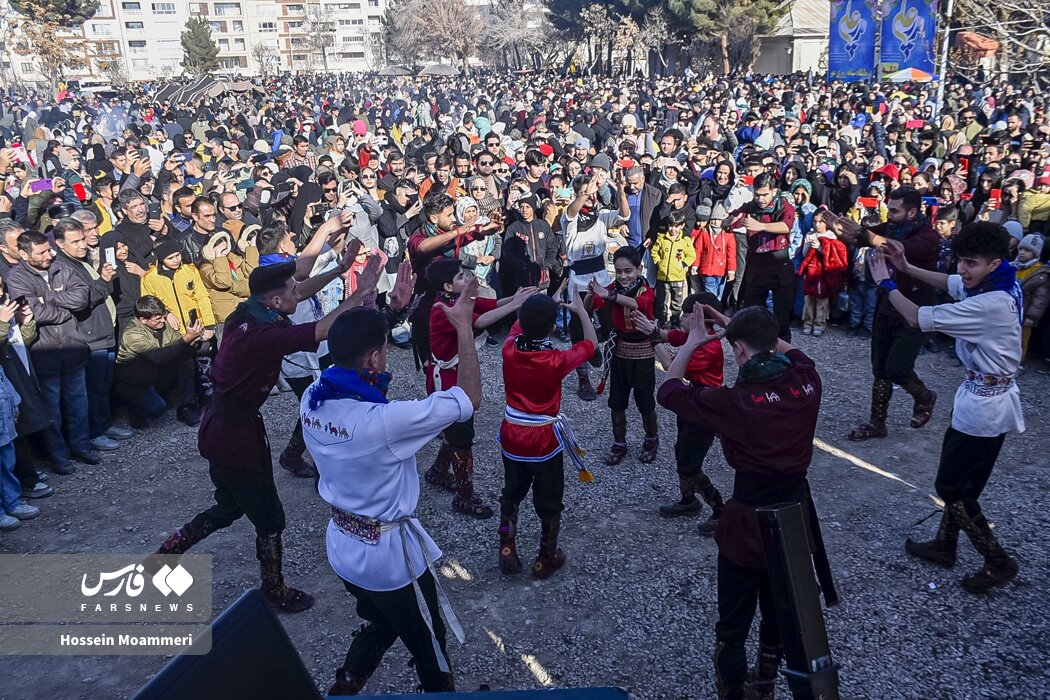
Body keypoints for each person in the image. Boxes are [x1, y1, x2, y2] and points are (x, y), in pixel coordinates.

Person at [147, 245, 383, 613]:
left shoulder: (251, 311)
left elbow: (300, 289)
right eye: (290, 291)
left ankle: (167, 553)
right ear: (275, 301)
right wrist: (360, 290)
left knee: (228, 506)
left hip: (222, 430)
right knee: (270, 518)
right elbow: (322, 329)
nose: (297, 292)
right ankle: (274, 590)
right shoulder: (261, 335)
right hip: (237, 437)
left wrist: (340, 269)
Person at [305, 281, 483, 695]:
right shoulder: (385, 422)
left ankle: (345, 687)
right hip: (389, 560)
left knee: (383, 621)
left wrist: (391, 313)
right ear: (372, 357)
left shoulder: (314, 394)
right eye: (383, 348)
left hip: (342, 545)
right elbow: (470, 397)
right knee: (429, 645)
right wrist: (464, 328)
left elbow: (358, 348)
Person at [657, 305, 834, 700]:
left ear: (736, 350)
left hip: (749, 522)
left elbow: (668, 388)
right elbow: (793, 353)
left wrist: (692, 342)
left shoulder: (734, 402)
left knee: (733, 623)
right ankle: (767, 681)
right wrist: (744, 331)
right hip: (794, 516)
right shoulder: (807, 381)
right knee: (780, 611)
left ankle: (733, 692)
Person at [874, 223, 1023, 593]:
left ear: (994, 263)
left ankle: (997, 560)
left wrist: (886, 283)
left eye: (970, 263)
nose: (962, 270)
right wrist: (906, 267)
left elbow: (917, 317)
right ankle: (945, 544)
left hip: (984, 409)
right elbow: (948, 283)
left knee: (953, 487)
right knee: (964, 482)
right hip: (986, 397)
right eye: (960, 260)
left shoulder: (990, 304)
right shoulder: (999, 281)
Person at [497, 288, 597, 578]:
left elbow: (520, 324)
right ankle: (545, 557)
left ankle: (507, 547)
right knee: (549, 498)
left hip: (513, 435)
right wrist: (581, 310)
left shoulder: (509, 348)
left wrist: (536, 304)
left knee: (511, 493)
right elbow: (591, 342)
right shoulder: (557, 360)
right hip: (543, 439)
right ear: (553, 327)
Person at [423, 259, 534, 518]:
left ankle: (438, 471)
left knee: (456, 428)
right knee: (461, 430)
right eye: (462, 276)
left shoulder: (458, 300)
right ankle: (464, 493)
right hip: (448, 380)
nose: (468, 279)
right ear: (448, 285)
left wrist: (515, 298)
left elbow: (490, 305)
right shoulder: (444, 308)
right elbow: (480, 321)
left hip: (458, 372)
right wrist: (516, 305)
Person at [832, 187, 939, 441]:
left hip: (916, 311)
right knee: (880, 368)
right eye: (888, 209)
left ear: (912, 212)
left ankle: (924, 396)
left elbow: (897, 248)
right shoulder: (891, 227)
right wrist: (842, 228)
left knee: (897, 368)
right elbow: (863, 237)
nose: (889, 215)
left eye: (894, 210)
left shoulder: (928, 237)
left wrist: (863, 235)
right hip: (886, 306)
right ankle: (877, 423)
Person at [632, 293, 726, 532]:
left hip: (704, 409)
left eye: (686, 315)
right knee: (682, 450)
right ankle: (688, 500)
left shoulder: (708, 346)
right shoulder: (697, 335)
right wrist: (654, 330)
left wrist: (653, 340)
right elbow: (671, 336)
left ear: (700, 320)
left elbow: (671, 367)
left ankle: (720, 509)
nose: (681, 318)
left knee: (689, 463)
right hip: (691, 401)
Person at [6, 231, 99, 469]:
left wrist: (46, 297)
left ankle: (81, 446)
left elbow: (81, 297)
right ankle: (59, 456)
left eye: (49, 250)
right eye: (42, 252)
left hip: (73, 349)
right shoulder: (15, 278)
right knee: (52, 411)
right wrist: (63, 308)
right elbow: (32, 312)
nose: (49, 255)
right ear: (25, 255)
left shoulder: (62, 267)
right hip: (43, 353)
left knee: (78, 404)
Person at [586, 246, 659, 465]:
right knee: (616, 402)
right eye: (618, 272)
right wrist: (591, 294)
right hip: (619, 351)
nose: (623, 276)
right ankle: (619, 443)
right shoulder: (612, 288)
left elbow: (638, 304)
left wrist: (609, 294)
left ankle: (651, 439)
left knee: (645, 401)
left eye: (628, 271)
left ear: (638, 269)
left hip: (643, 352)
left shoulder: (645, 290)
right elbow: (591, 307)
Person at [114, 295, 202, 428]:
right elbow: (159, 357)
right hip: (135, 383)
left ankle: (185, 407)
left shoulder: (164, 326)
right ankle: (136, 410)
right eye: (157, 319)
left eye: (163, 316)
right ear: (143, 320)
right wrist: (186, 339)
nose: (162, 321)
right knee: (157, 408)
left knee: (186, 362)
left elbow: (180, 351)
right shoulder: (133, 334)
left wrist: (194, 339)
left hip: (155, 374)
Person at [727, 173, 797, 340]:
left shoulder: (785, 206)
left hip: (779, 261)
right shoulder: (750, 207)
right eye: (757, 194)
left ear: (774, 191)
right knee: (752, 312)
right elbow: (731, 219)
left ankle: (783, 355)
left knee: (782, 317)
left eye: (764, 194)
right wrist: (729, 221)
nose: (760, 199)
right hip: (757, 263)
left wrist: (761, 226)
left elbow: (786, 226)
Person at [799, 210, 848, 337]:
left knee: (822, 299)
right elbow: (804, 254)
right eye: (815, 222)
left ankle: (819, 324)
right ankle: (807, 323)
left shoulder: (832, 236)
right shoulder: (810, 234)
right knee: (809, 299)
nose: (817, 225)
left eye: (821, 222)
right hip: (810, 271)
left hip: (823, 273)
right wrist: (810, 245)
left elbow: (833, 254)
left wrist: (821, 248)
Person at [0, 362, 36, 531]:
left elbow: (3, 379)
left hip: (4, 423)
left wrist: (14, 402)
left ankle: (12, 503)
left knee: (7, 464)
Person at [650, 208, 696, 327]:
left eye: (676, 226)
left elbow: (691, 255)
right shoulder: (661, 238)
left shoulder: (685, 241)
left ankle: (675, 321)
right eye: (671, 225)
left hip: (678, 277)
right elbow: (654, 252)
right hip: (662, 277)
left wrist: (683, 264)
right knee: (661, 301)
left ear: (682, 226)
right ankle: (661, 320)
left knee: (677, 302)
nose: (673, 229)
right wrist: (658, 262)